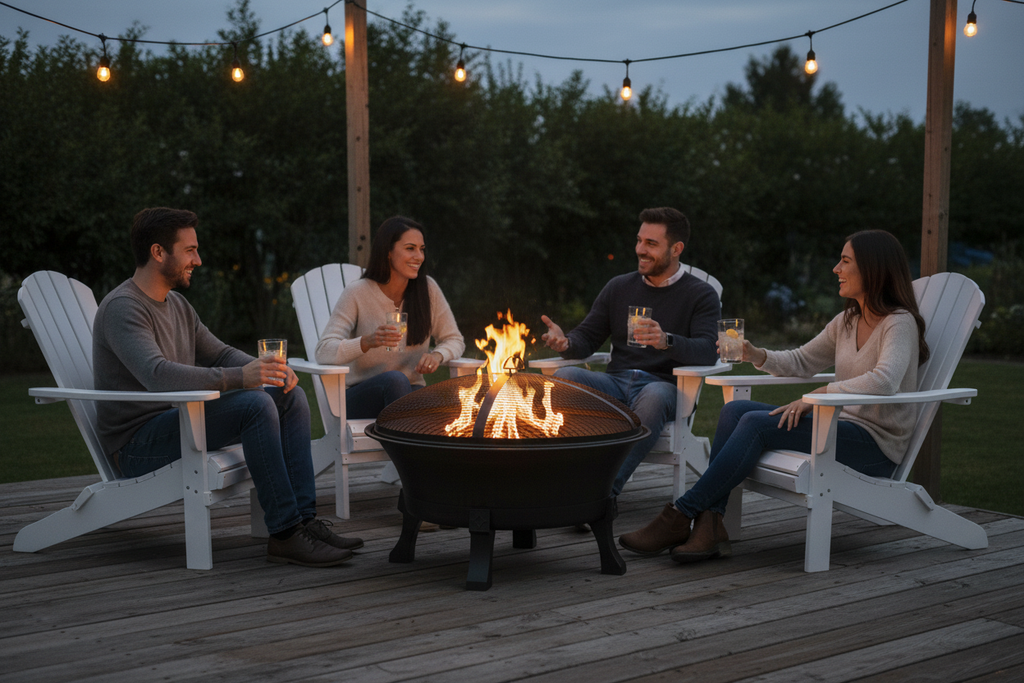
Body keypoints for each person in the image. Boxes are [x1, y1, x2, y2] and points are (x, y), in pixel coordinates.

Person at [619, 229, 930, 563]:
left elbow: (885, 381)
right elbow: (802, 360)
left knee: (755, 424)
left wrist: (819, 394)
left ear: (873, 268)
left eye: (845, 261)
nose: (836, 269)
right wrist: (756, 354)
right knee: (735, 410)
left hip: (874, 445)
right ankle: (709, 524)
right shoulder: (847, 320)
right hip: (837, 425)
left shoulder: (899, 323)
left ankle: (681, 514)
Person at [93, 207, 361, 568]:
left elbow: (218, 352)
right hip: (137, 446)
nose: (198, 260)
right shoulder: (123, 308)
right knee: (255, 404)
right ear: (158, 252)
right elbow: (156, 374)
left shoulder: (178, 305)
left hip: (181, 424)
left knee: (287, 395)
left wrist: (267, 370)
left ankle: (305, 523)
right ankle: (284, 534)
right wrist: (242, 378)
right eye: (189, 250)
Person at [540, 207, 720, 496]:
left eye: (651, 244)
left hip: (663, 387)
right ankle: (562, 479)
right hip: (615, 383)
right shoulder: (619, 287)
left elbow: (707, 351)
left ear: (676, 249)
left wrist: (666, 341)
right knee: (563, 378)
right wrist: (567, 343)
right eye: (639, 241)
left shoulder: (700, 294)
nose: (640, 250)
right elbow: (587, 336)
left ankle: (599, 495)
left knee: (654, 396)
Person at [314, 216, 466, 416]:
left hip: (409, 393)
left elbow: (454, 339)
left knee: (449, 401)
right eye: (410, 248)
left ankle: (411, 445)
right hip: (361, 396)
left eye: (422, 249)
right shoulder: (358, 293)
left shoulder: (428, 289)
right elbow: (323, 351)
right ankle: (408, 444)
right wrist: (367, 342)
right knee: (395, 380)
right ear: (388, 252)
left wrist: (437, 355)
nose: (419, 256)